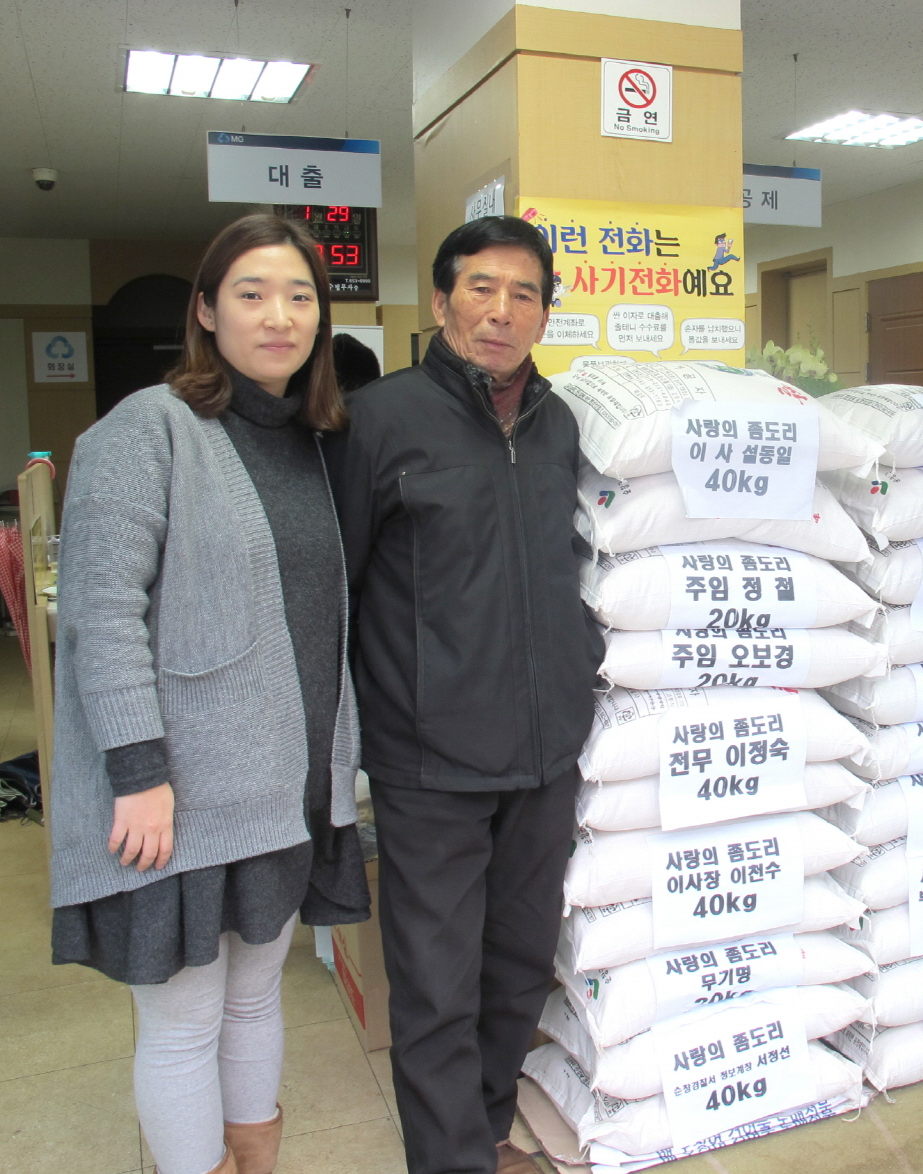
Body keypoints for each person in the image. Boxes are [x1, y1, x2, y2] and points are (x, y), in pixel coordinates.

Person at [48, 213, 369, 1174]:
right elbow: (101, 613)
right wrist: (137, 772)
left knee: (256, 997)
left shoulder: (316, 442)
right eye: (251, 293)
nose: (279, 316)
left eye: (300, 296)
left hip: (283, 785)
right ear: (205, 311)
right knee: (184, 1021)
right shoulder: (148, 428)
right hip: (180, 792)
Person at [326, 215, 604, 1174]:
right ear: (442, 301)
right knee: (436, 981)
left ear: (545, 314)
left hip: (544, 748)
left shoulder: (558, 423)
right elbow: (336, 587)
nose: (501, 311)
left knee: (519, 962)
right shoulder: (379, 421)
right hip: (429, 756)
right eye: (481, 288)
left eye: (524, 294)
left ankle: (483, 1129)